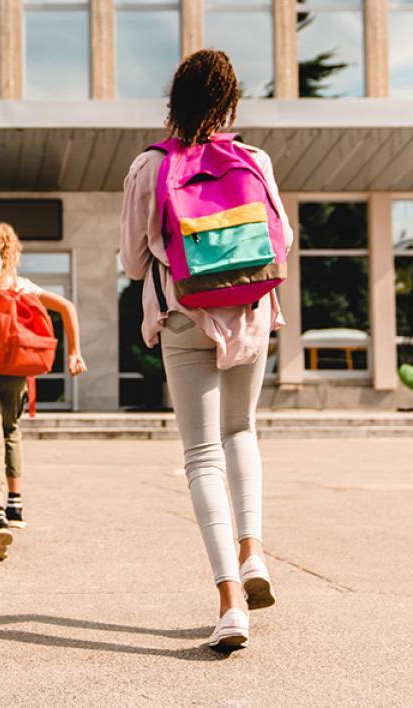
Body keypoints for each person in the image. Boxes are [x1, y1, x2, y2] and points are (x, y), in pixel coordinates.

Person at [120, 50, 291, 650]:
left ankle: (229, 601)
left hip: (184, 314)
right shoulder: (254, 158)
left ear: (175, 101)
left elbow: (133, 261)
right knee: (241, 431)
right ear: (229, 104)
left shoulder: (149, 165)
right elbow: (283, 241)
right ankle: (254, 553)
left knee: (201, 455)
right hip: (247, 311)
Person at [0, 220, 87, 562]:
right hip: (18, 371)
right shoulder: (21, 285)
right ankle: (16, 506)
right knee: (12, 431)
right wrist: (74, 352)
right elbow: (68, 308)